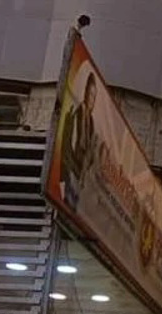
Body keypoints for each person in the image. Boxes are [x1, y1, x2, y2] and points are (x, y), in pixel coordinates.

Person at [59, 72, 99, 211]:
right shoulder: (78, 113)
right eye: (90, 94)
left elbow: (91, 150)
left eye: (94, 96)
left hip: (80, 173)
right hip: (71, 168)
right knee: (68, 206)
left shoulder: (92, 121)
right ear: (85, 92)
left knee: (74, 208)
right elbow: (70, 143)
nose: (92, 99)